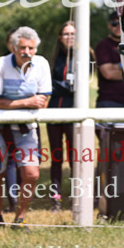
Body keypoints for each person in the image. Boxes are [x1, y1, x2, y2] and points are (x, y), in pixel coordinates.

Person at [0, 26, 52, 228]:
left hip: (27, 129)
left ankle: (20, 217)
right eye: (23, 48)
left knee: (32, 174)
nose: (27, 52)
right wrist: (26, 102)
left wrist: (18, 103)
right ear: (14, 47)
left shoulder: (41, 64)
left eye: (31, 48)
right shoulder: (1, 64)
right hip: (1, 127)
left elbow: (44, 101)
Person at [47, 21, 77, 211]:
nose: (69, 37)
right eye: (66, 34)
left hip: (73, 113)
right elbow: (48, 84)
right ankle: (55, 196)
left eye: (72, 34)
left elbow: (80, 85)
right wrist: (65, 86)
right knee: (56, 156)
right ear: (60, 37)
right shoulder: (53, 59)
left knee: (75, 157)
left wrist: (61, 86)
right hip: (54, 114)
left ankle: (77, 194)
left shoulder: (84, 57)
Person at [94, 11, 124, 108]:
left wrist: (115, 66)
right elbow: (108, 74)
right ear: (108, 25)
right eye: (114, 23)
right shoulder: (103, 45)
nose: (118, 27)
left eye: (121, 23)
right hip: (108, 102)